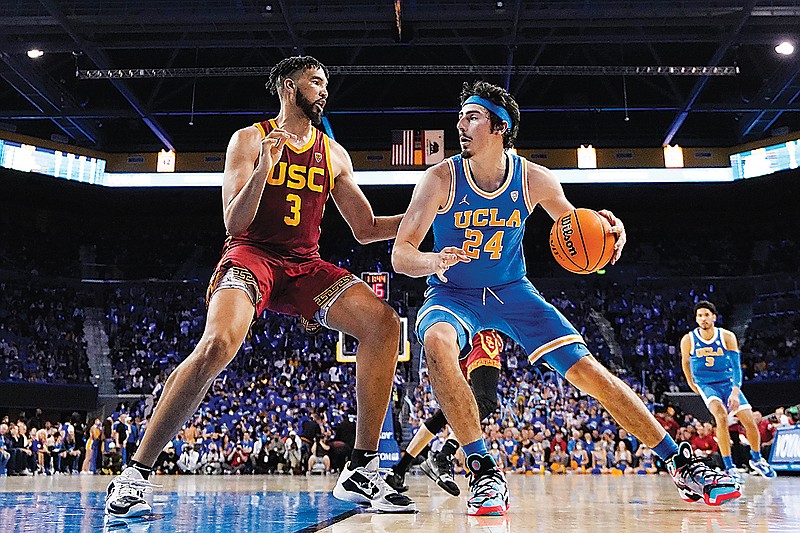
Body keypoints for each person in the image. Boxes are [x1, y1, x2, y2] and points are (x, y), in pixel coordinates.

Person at [391, 80, 741, 514]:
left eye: (472, 116)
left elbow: (576, 232)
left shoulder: (533, 178)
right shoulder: (439, 178)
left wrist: (608, 234)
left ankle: (681, 463)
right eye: (461, 115)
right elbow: (401, 254)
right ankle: (483, 471)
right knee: (436, 342)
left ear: (499, 127)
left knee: (591, 373)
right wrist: (434, 261)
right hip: (452, 291)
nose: (460, 124)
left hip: (512, 291)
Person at [105, 55, 414, 518]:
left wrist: (425, 219)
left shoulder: (333, 153)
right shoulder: (249, 139)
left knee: (384, 324)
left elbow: (366, 228)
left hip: (304, 265)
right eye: (316, 82)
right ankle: (135, 474)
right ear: (289, 86)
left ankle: (361, 469)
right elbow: (234, 220)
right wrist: (264, 169)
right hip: (252, 254)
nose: (324, 90)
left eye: (326, 83)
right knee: (217, 345)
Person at [385, 329, 503, 497]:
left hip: (454, 337)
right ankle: (444, 455)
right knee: (485, 402)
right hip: (480, 332)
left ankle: (399, 470)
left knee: (452, 409)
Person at [680, 300, 777, 480]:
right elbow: (685, 362)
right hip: (706, 384)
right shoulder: (688, 339)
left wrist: (734, 391)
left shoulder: (726, 336)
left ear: (714, 317)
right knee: (721, 416)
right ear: (696, 319)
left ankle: (756, 459)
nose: (703, 319)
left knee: (749, 421)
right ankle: (729, 467)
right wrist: (690, 382)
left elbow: (736, 366)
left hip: (727, 381)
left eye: (706, 315)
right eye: (699, 316)